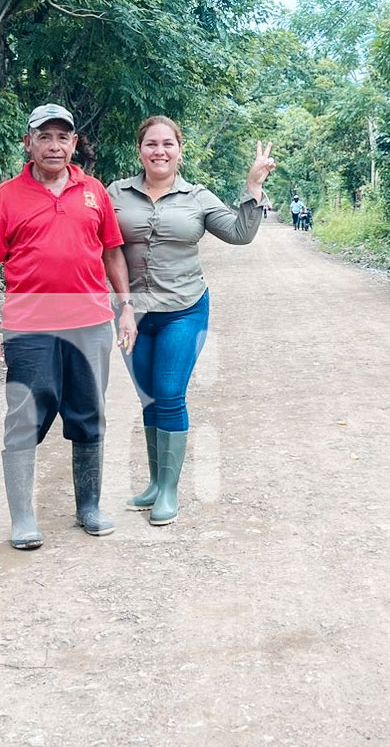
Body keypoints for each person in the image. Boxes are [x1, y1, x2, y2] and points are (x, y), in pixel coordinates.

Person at [0, 103, 139, 550]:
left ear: (74, 144)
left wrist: (125, 307)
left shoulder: (94, 192)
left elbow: (112, 253)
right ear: (28, 143)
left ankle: (88, 506)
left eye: (62, 137)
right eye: (44, 136)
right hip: (29, 327)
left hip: (90, 324)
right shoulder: (6, 196)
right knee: (24, 417)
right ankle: (23, 518)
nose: (54, 145)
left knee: (90, 415)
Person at [108, 118, 275, 525]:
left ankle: (169, 490)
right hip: (132, 312)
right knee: (148, 397)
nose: (159, 151)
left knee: (168, 392)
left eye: (168, 144)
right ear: (140, 149)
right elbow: (98, 242)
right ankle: (153, 483)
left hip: (184, 308)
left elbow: (239, 233)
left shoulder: (197, 197)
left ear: (180, 150)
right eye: (151, 143)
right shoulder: (116, 193)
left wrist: (252, 188)